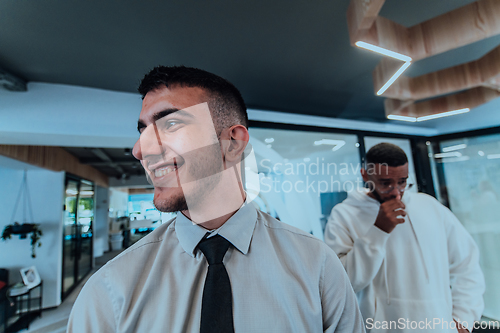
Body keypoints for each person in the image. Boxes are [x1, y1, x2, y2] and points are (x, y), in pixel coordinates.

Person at [68, 66, 364, 332]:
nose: (140, 150)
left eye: (170, 125)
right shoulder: (111, 288)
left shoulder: (317, 266)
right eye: (144, 130)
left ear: (233, 143)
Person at [324, 143, 485, 333]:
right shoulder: (344, 215)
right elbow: (342, 284)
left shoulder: (430, 207)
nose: (396, 191)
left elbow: (467, 265)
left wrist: (463, 320)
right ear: (365, 175)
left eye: (402, 181)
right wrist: (378, 231)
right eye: (385, 183)